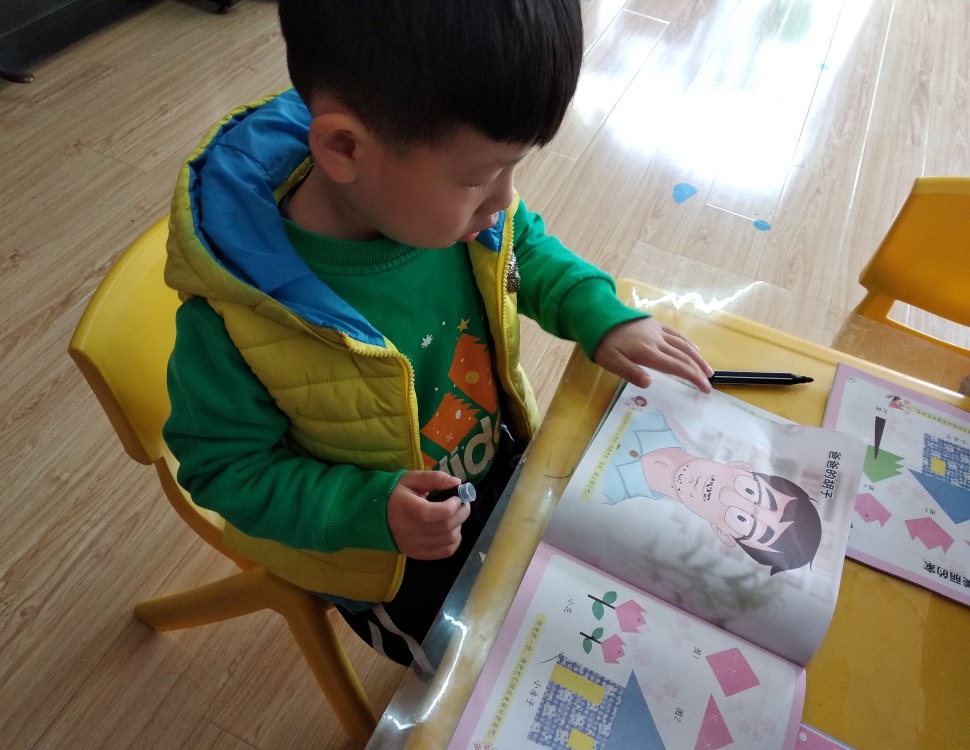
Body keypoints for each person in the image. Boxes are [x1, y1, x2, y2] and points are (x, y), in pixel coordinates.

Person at [162, 0, 713, 667]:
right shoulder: (237, 317)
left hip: (495, 458)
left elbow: (522, 246)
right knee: (484, 673)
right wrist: (370, 511)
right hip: (386, 554)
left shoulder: (442, 201)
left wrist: (600, 313)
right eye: (481, 177)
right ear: (344, 148)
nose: (504, 199)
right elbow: (225, 470)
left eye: (513, 169)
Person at [600, 409, 822, 575]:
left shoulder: (606, 498)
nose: (725, 494)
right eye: (750, 491)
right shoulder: (669, 411)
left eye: (742, 520)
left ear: (722, 533)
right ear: (742, 466)